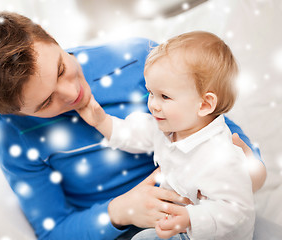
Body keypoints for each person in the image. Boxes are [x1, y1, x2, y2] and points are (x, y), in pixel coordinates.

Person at [0, 12, 266, 240]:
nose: (72, 93)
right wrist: (120, 211)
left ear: (52, 39)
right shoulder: (14, 138)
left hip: (202, 207)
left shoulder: (135, 58)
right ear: (15, 113)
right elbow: (54, 231)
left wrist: (246, 168)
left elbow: (217, 125)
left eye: (62, 68)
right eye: (46, 102)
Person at [76, 31, 256, 240]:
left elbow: (238, 213)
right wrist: (101, 122)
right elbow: (133, 134)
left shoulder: (220, 156)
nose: (152, 104)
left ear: (204, 104)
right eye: (151, 93)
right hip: (178, 226)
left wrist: (190, 218)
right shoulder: (168, 127)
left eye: (164, 96)